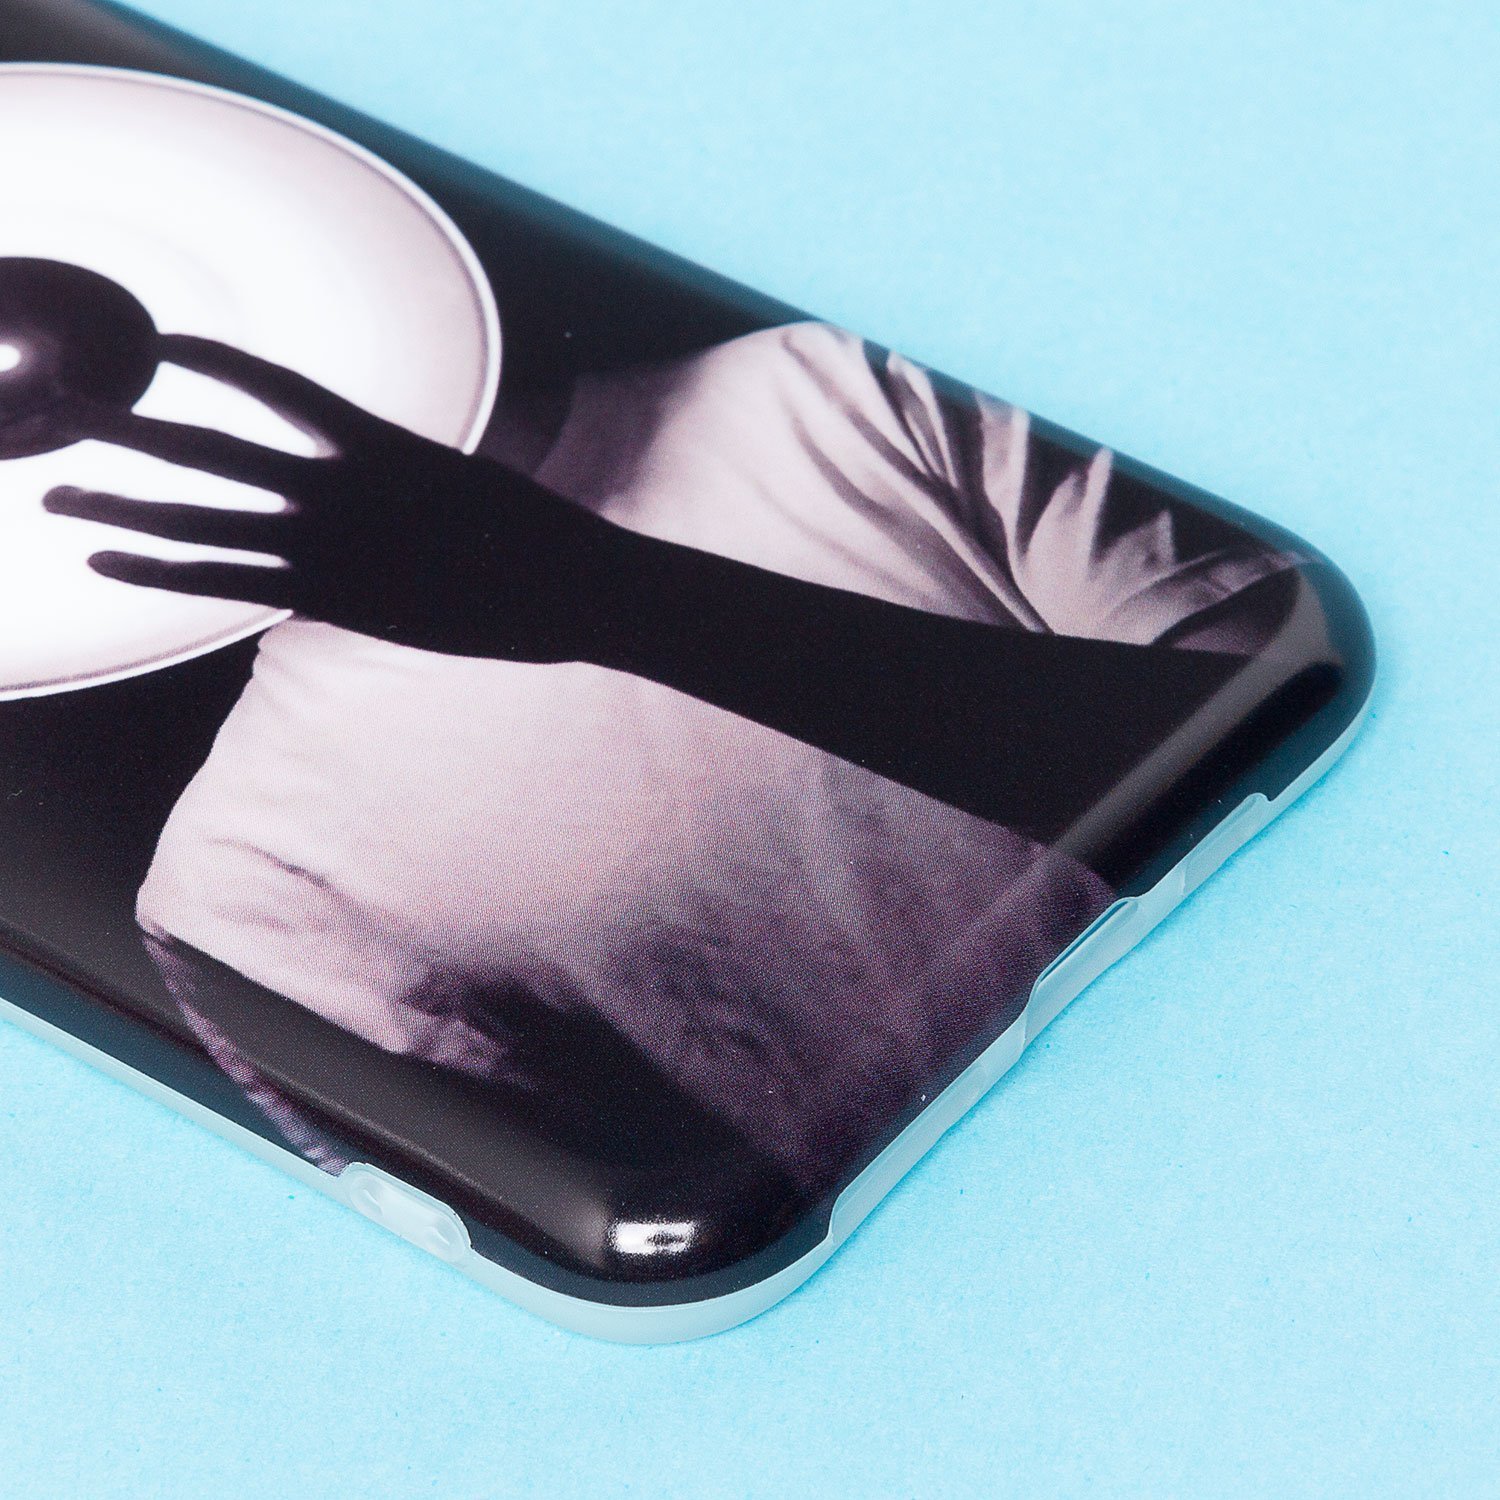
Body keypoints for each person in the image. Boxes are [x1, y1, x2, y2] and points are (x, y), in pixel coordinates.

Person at [44, 320, 1293, 1205]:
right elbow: (632, 1233)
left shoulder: (833, 390)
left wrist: (604, 592)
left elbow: (1258, 739)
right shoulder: (239, 884)